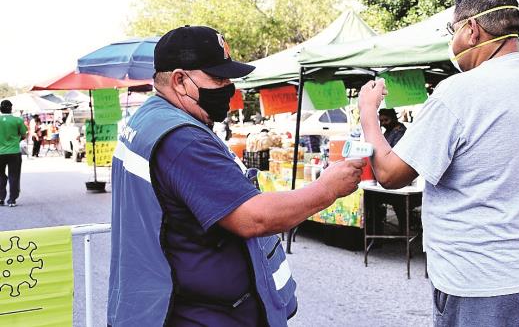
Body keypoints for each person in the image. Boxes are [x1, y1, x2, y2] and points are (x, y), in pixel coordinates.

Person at [358, 0, 519, 326]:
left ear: (472, 30)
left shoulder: (458, 93)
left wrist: (368, 112)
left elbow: (389, 174)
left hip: (482, 287)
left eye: (453, 30)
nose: (452, 42)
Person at [108, 25, 365, 327]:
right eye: (217, 77)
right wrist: (328, 188)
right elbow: (253, 218)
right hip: (197, 315)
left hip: (164, 304)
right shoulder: (183, 139)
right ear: (179, 80)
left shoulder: (149, 117)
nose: (228, 87)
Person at [0, 100, 28, 207]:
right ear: (11, 108)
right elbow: (23, 134)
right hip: (14, 152)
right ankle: (12, 200)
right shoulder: (18, 120)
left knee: (0, 175)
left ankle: (1, 198)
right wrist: (16, 140)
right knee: (14, 175)